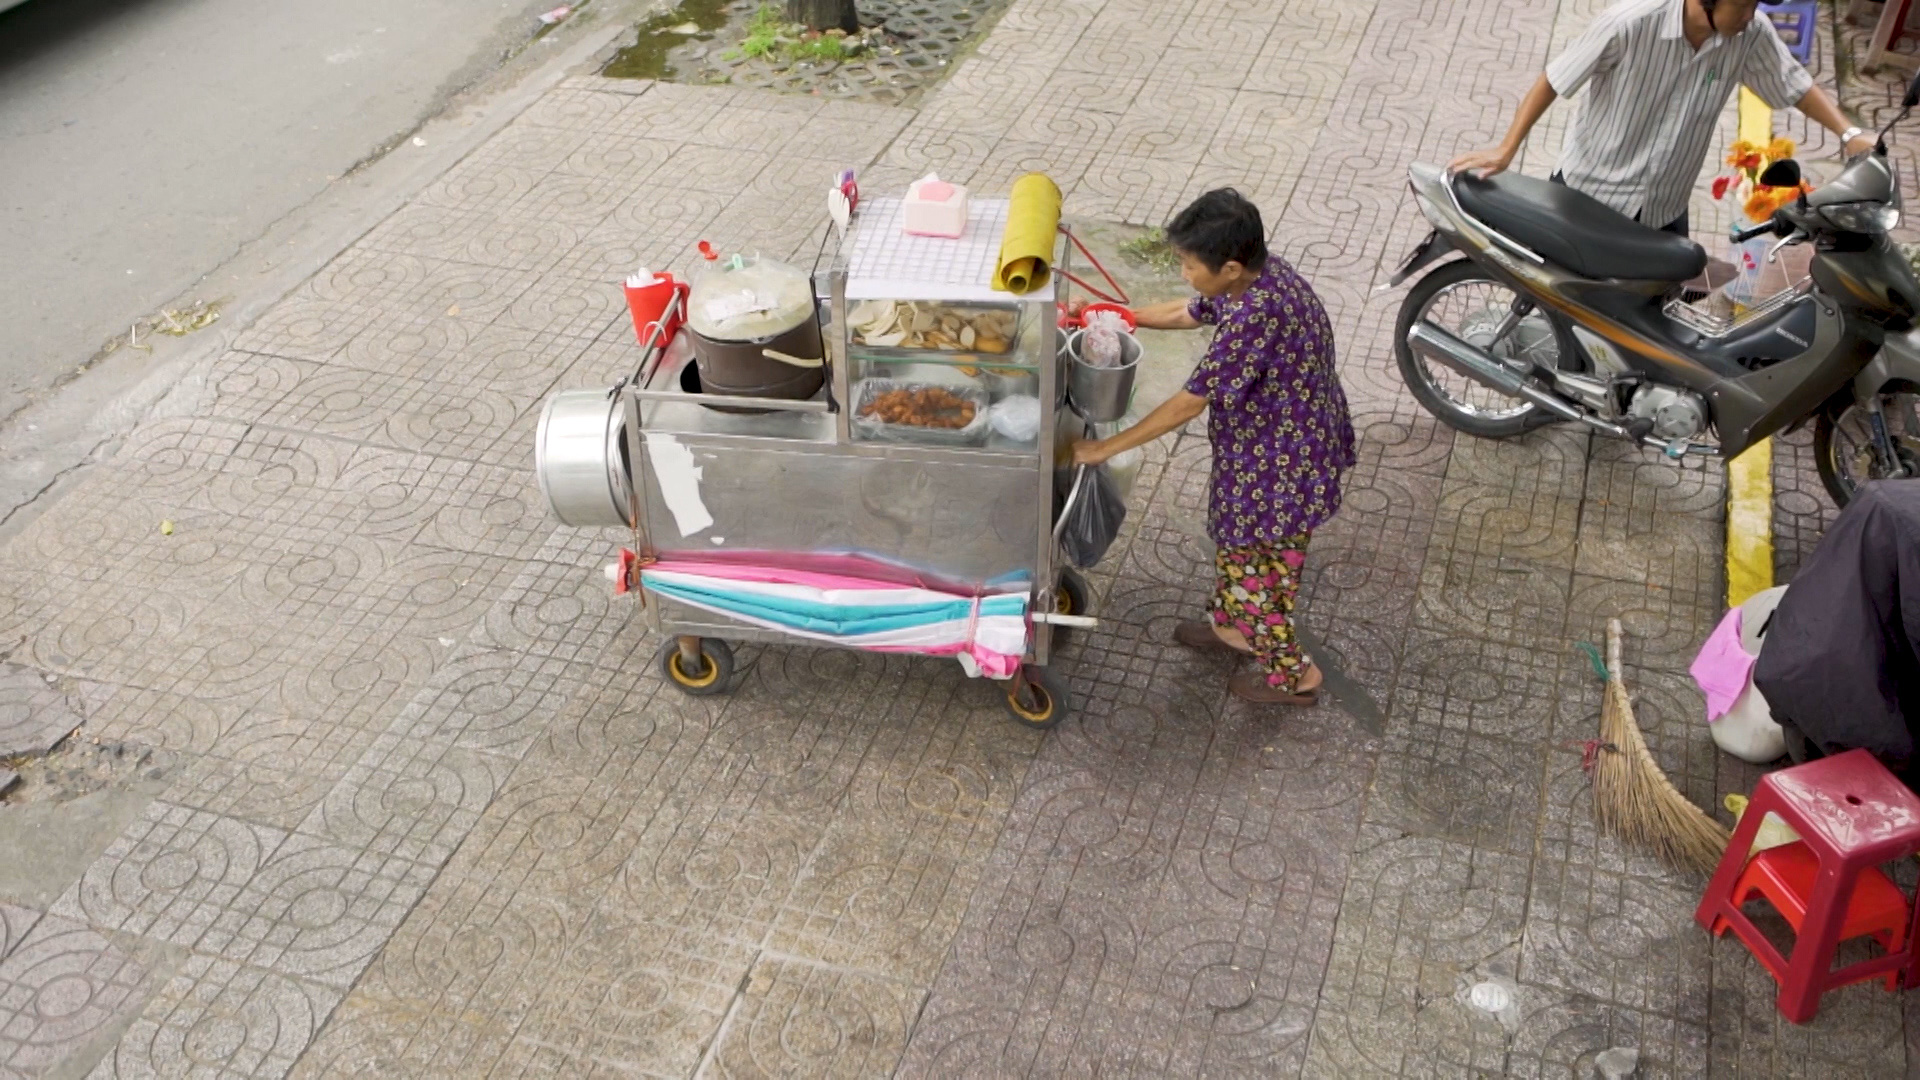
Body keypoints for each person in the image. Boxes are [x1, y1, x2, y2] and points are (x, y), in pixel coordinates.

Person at [1071, 190, 1355, 706]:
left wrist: (1104, 447)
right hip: (1282, 444)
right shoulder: (1261, 275)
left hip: (1278, 466)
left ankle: (1292, 675)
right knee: (1239, 551)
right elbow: (1189, 311)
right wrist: (1113, 317)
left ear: (1228, 266)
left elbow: (1188, 402)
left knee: (1256, 566)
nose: (1182, 272)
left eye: (1187, 263)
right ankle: (1231, 628)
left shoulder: (1255, 317)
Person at [1450, 0, 1874, 237]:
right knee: (1573, 308)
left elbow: (1794, 83)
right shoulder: (1630, 23)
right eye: (1744, 6)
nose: (1751, 16)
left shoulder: (1749, 34)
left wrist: (1849, 133)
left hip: (1663, 207)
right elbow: (1553, 78)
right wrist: (1507, 149)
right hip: (1590, 196)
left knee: (1655, 325)